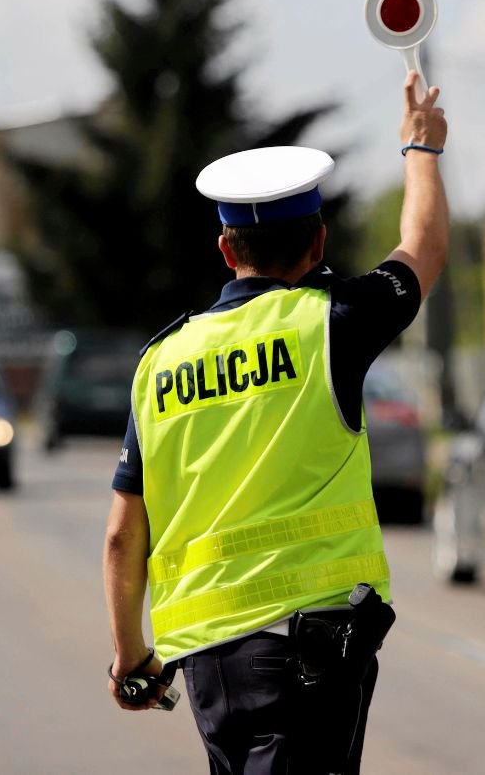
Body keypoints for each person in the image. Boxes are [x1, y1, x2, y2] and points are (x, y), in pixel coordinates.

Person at [102, 70, 449, 774]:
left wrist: (130, 657)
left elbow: (120, 536)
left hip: (206, 663)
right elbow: (423, 246)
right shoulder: (333, 323)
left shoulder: (160, 359)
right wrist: (421, 151)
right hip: (308, 652)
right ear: (318, 244)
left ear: (227, 251)